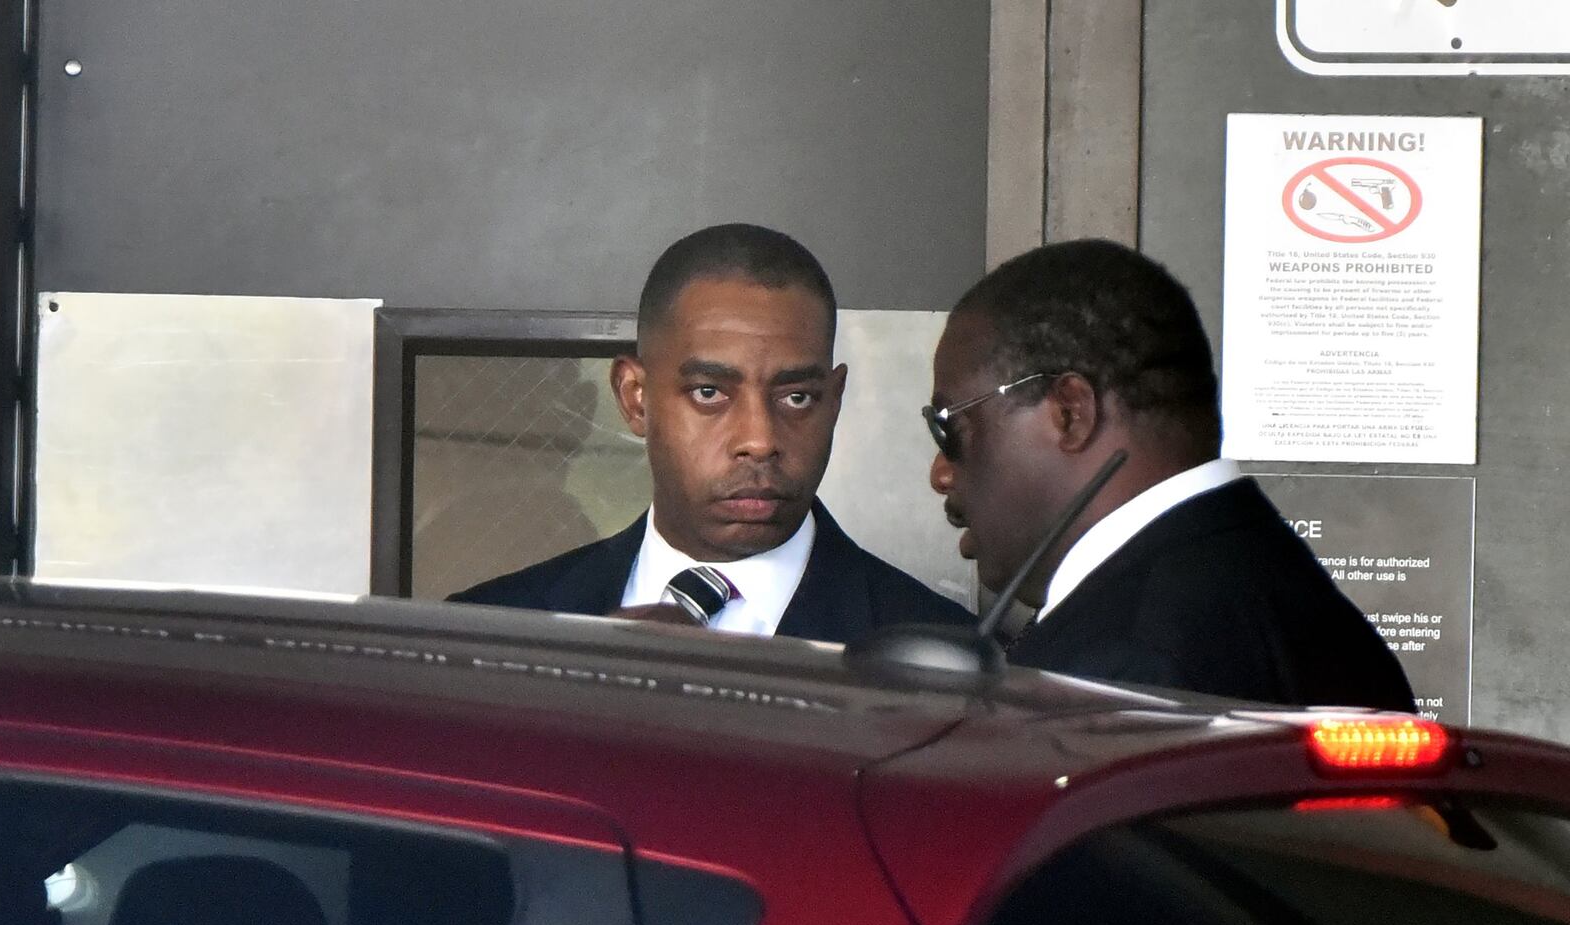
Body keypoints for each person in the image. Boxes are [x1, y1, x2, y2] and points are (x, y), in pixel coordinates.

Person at [926, 238, 1415, 710]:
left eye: (949, 428)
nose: (941, 475)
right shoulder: (1315, 617)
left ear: (1071, 413)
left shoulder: (1116, 674)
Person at [452, 223, 972, 643]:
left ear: (833, 403)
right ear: (635, 397)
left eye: (797, 397)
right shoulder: (488, 634)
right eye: (709, 393)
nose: (760, 440)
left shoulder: (946, 662)